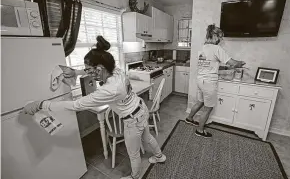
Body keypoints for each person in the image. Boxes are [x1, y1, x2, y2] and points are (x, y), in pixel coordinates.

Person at [23, 36, 166, 179]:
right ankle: (159, 156)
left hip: (132, 121)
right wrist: (76, 72)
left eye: (90, 71)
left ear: (99, 69)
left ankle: (135, 177)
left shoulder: (110, 90)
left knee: (133, 154)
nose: (90, 74)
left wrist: (42, 104)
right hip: (140, 109)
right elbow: (94, 70)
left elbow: (76, 105)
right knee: (147, 137)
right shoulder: (115, 70)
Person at [185, 24, 245, 138]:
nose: (221, 40)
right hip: (209, 82)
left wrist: (225, 68)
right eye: (220, 37)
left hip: (200, 80)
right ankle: (200, 130)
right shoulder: (216, 49)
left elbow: (209, 64)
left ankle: (189, 118)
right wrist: (240, 63)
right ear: (214, 35)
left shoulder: (203, 48)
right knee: (208, 108)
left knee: (200, 102)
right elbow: (233, 63)